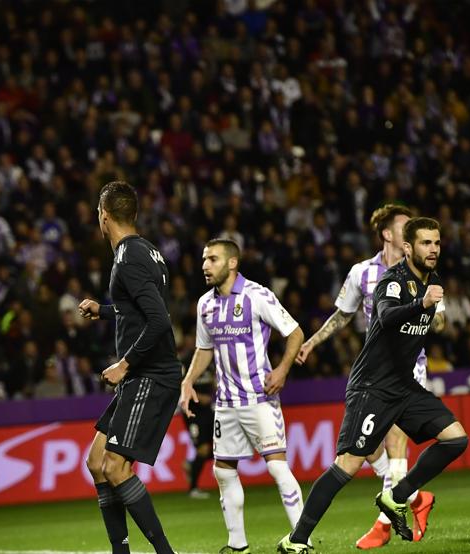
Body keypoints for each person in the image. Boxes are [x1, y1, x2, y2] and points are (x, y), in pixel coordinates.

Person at [277, 218, 468, 554]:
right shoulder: (392, 281)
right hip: (372, 386)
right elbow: (386, 316)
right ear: (407, 248)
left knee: (456, 439)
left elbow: (433, 321)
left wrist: (435, 314)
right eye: (426, 243)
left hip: (404, 385)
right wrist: (422, 305)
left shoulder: (433, 281)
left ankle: (395, 497)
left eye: (437, 242)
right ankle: (296, 540)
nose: (434, 249)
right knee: (348, 464)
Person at [180, 239, 306, 554]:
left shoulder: (257, 295)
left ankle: (302, 539)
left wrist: (281, 371)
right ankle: (238, 546)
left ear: (232, 263)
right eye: (204, 259)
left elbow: (295, 332)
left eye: (212, 259)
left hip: (259, 398)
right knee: (223, 471)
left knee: (277, 468)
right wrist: (188, 381)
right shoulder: (204, 304)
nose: (205, 265)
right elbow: (204, 348)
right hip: (225, 403)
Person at [78, 181, 182, 554]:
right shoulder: (147, 252)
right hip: (142, 374)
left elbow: (159, 321)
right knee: (96, 462)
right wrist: (104, 310)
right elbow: (138, 309)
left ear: (103, 216)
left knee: (117, 468)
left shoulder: (129, 258)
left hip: (150, 375)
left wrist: (124, 363)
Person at [181, 367, 214, 500]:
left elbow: (212, 381)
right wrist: (200, 397)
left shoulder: (208, 360)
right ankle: (193, 489)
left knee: (220, 446)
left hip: (208, 411)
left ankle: (192, 464)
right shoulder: (186, 362)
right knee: (203, 449)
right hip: (193, 413)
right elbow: (181, 386)